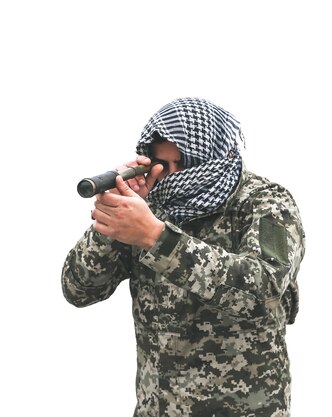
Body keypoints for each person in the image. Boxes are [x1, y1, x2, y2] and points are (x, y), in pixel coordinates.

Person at [61, 97, 305, 417]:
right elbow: (79, 289)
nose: (173, 177)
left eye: (184, 165)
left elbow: (264, 287)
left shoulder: (265, 202)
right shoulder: (149, 207)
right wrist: (112, 222)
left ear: (216, 156)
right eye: (164, 165)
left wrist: (156, 238)